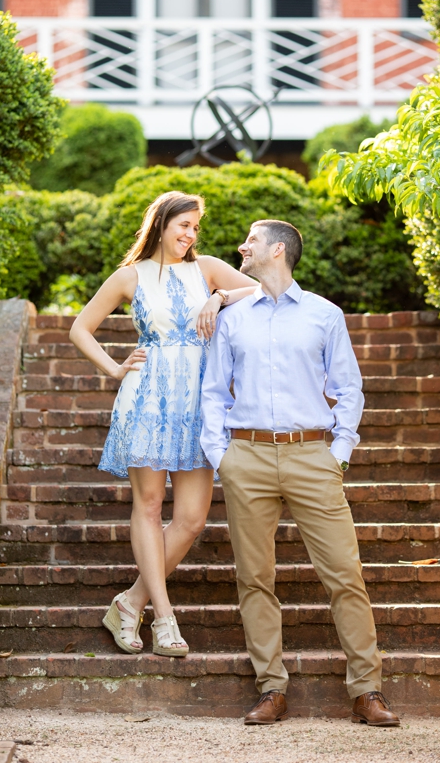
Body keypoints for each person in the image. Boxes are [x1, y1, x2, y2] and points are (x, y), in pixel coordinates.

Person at [200, 219, 400, 727]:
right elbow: (214, 393)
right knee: (254, 577)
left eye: (252, 240)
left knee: (344, 574)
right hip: (247, 457)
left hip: (313, 456)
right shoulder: (233, 318)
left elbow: (349, 388)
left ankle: (367, 690)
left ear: (278, 251)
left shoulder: (323, 315)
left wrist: (340, 451)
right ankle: (271, 689)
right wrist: (220, 455)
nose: (242, 246)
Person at [70, 191, 258, 658]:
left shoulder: (208, 269)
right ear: (161, 223)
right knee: (149, 506)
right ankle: (164, 618)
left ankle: (130, 602)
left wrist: (220, 296)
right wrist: (114, 369)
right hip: (147, 398)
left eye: (196, 227)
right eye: (184, 225)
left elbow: (266, 291)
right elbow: (80, 328)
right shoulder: (128, 276)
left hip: (199, 399)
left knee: (192, 518)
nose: (191, 234)